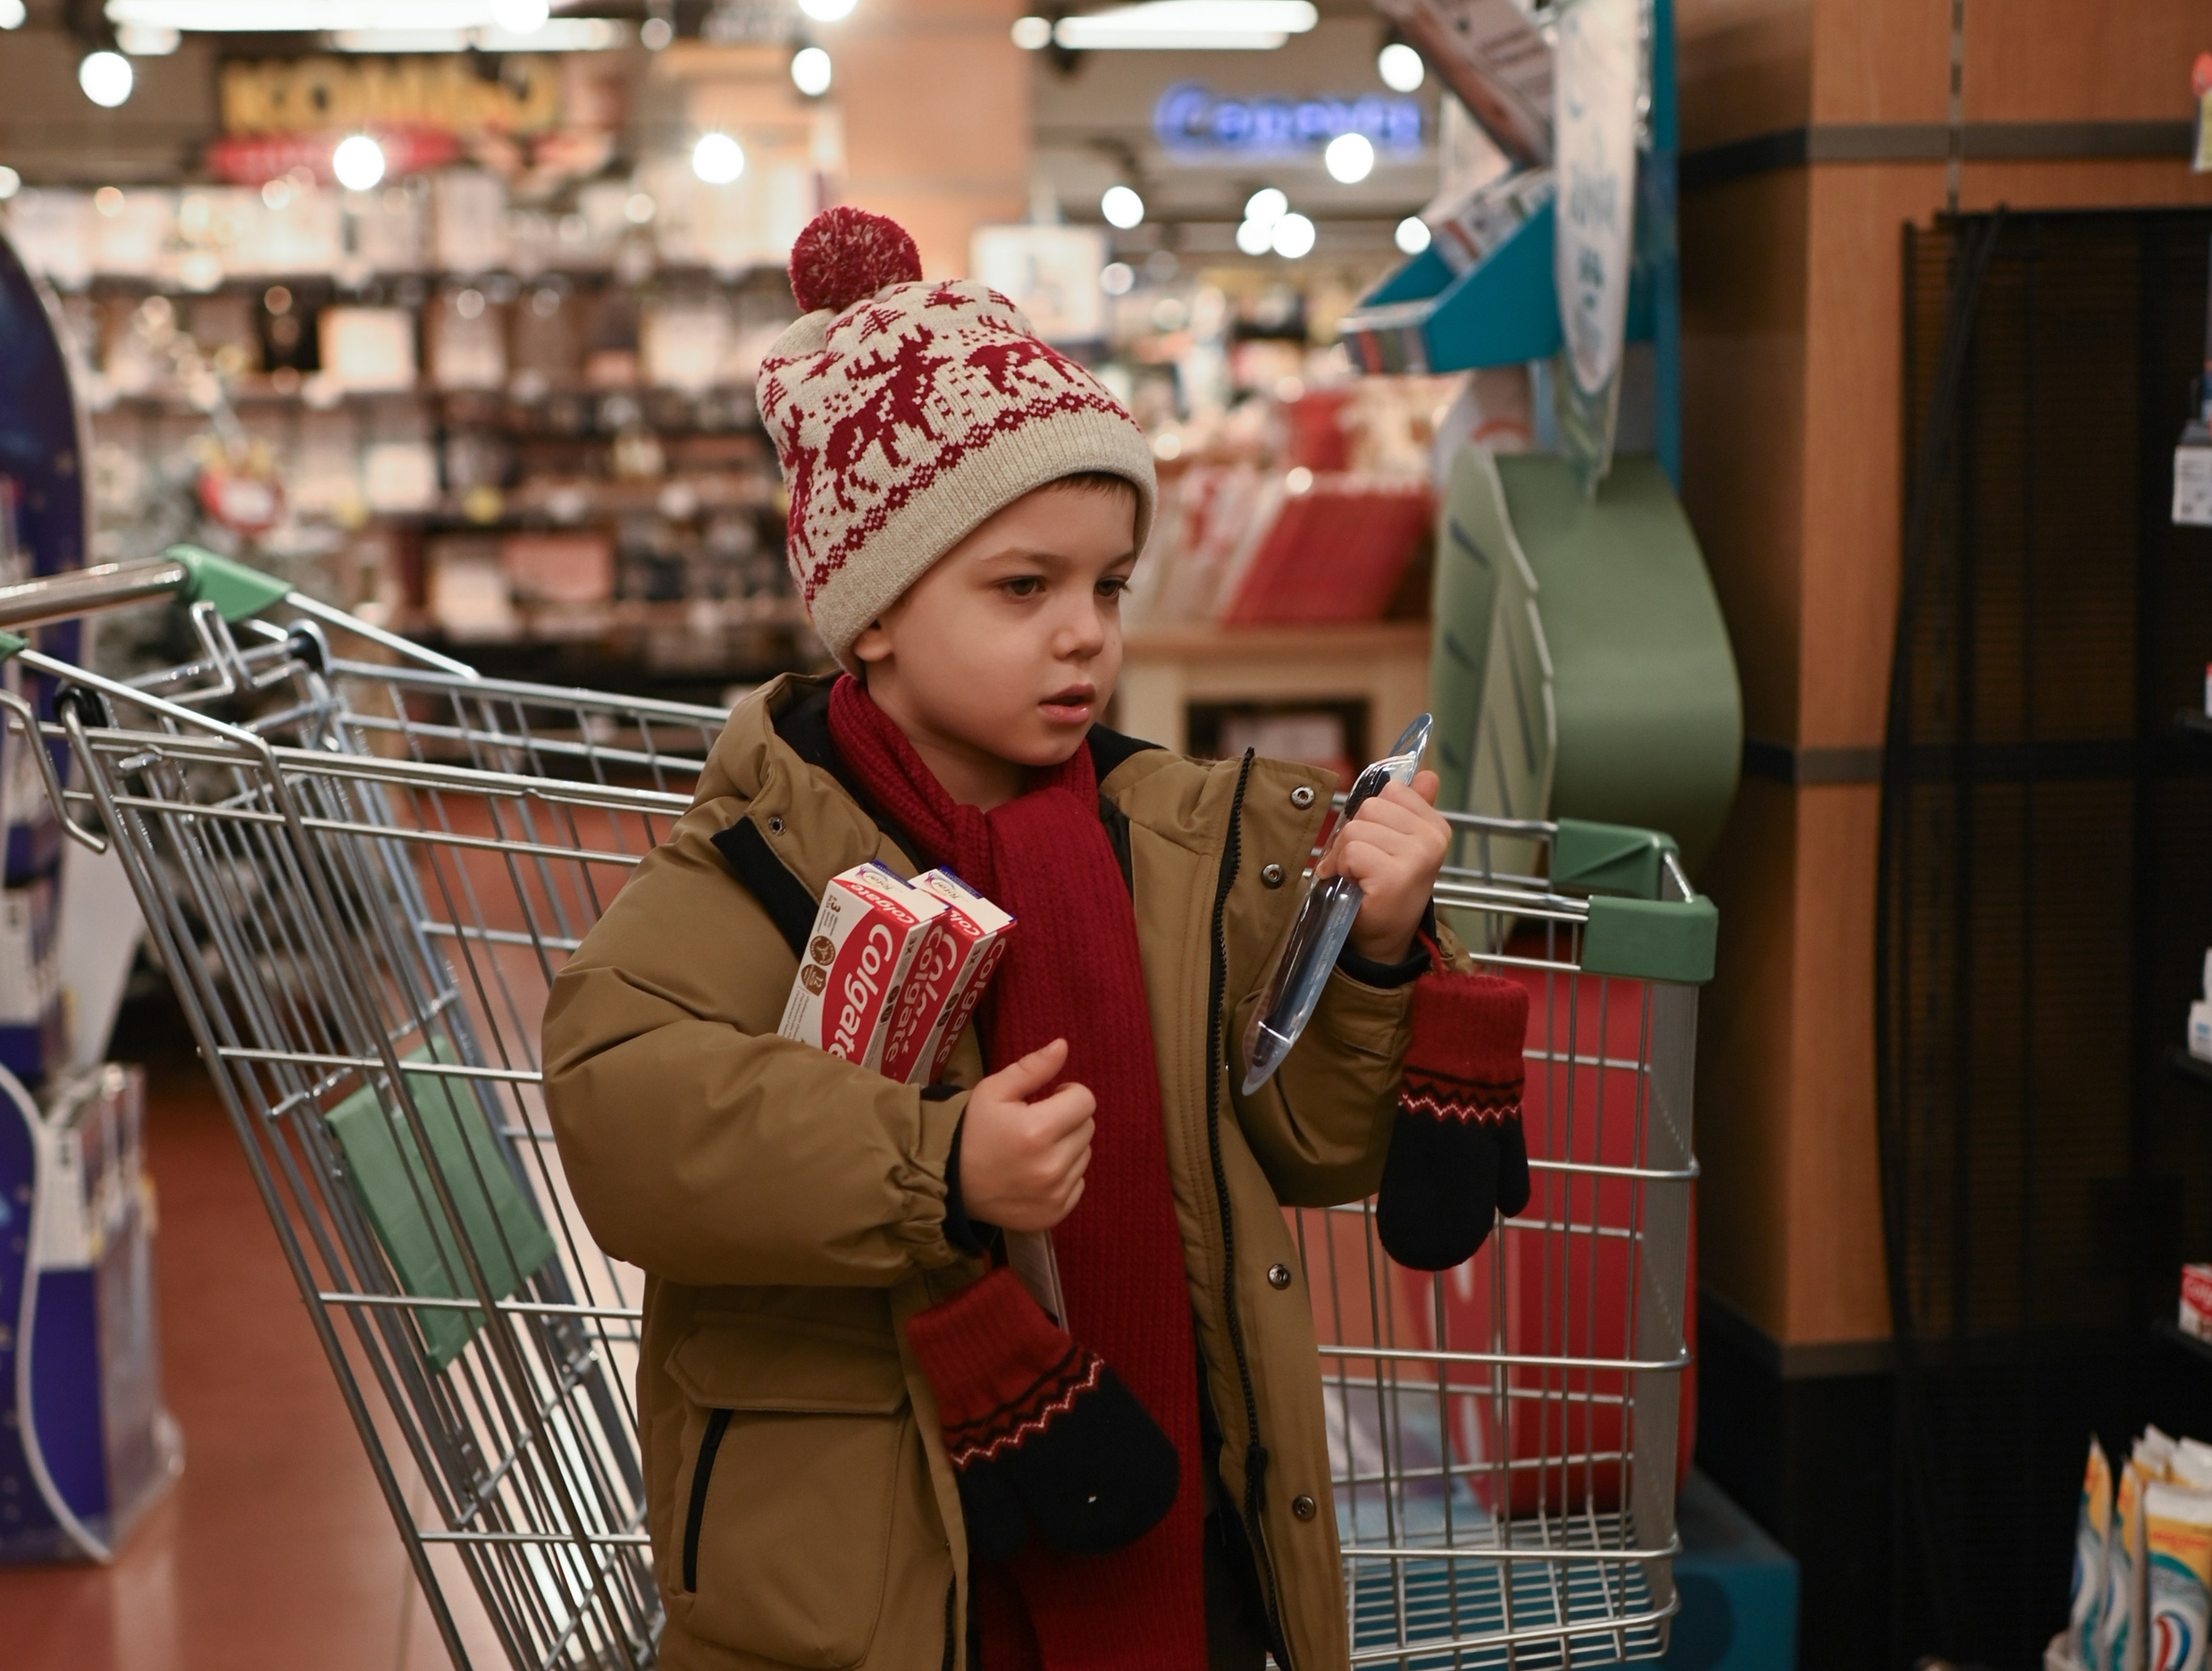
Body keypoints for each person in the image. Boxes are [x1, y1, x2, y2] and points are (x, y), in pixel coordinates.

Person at [542, 206, 1527, 1671]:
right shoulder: (769, 853)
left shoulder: (1173, 846)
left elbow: (1307, 1144)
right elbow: (626, 1107)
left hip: (1177, 1515)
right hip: (873, 1568)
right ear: (871, 614)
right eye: (1024, 587)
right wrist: (932, 1162)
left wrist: (1374, 948)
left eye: (1108, 586)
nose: (1087, 636)